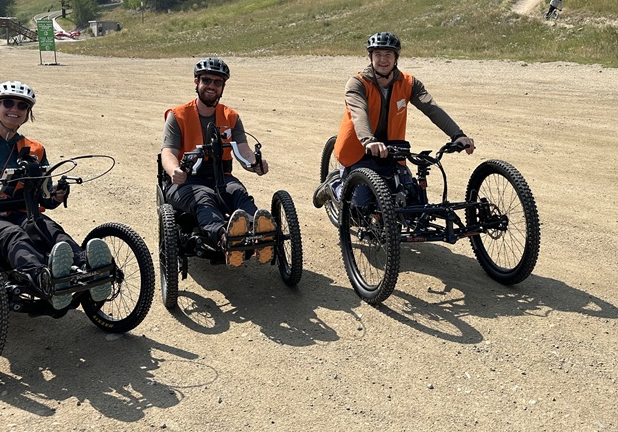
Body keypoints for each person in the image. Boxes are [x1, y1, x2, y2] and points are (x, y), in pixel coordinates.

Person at [0, 80, 113, 310]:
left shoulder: (35, 149)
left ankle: (89, 269)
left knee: (49, 229)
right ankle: (41, 278)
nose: (14, 110)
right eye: (8, 103)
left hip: (20, 213)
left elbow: (44, 194)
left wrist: (55, 196)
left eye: (22, 106)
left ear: (27, 114)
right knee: (13, 235)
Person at [314, 32, 475, 208]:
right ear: (370, 57)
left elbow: (431, 108)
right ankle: (333, 185)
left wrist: (457, 135)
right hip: (359, 150)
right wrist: (368, 141)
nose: (383, 60)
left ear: (396, 58)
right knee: (359, 208)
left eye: (388, 55)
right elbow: (358, 112)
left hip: (392, 151)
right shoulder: (357, 83)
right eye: (378, 55)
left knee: (410, 201)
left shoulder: (408, 83)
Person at [159, 57, 276, 267]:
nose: (211, 86)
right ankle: (224, 237)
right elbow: (168, 152)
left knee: (237, 192)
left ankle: (259, 233)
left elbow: (243, 149)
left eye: (217, 82)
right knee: (204, 198)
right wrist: (174, 169)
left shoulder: (230, 116)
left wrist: (255, 163)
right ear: (197, 82)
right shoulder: (178, 116)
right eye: (206, 80)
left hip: (222, 177)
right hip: (186, 181)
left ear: (223, 86)